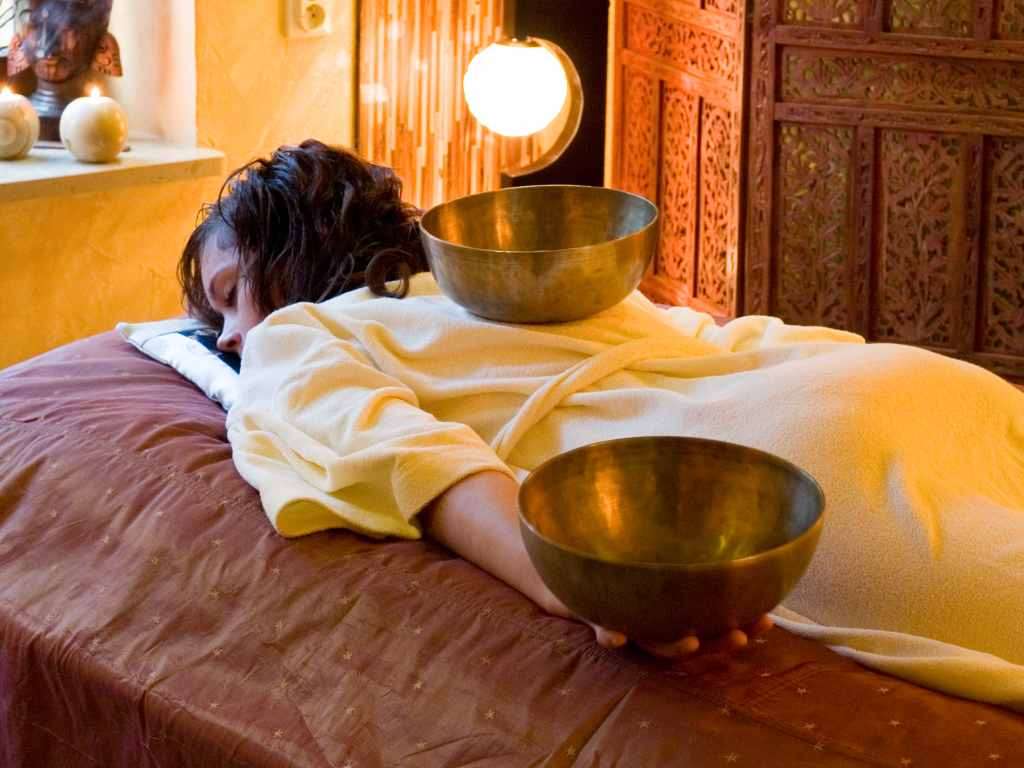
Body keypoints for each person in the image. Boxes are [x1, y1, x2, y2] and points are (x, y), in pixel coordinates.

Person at [180, 141, 1024, 702]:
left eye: (229, 295)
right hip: (885, 378)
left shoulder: (302, 335)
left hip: (782, 461)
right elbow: (701, 333)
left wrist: (576, 585)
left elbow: (420, 461)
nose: (226, 339)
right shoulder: (519, 278)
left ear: (290, 253)